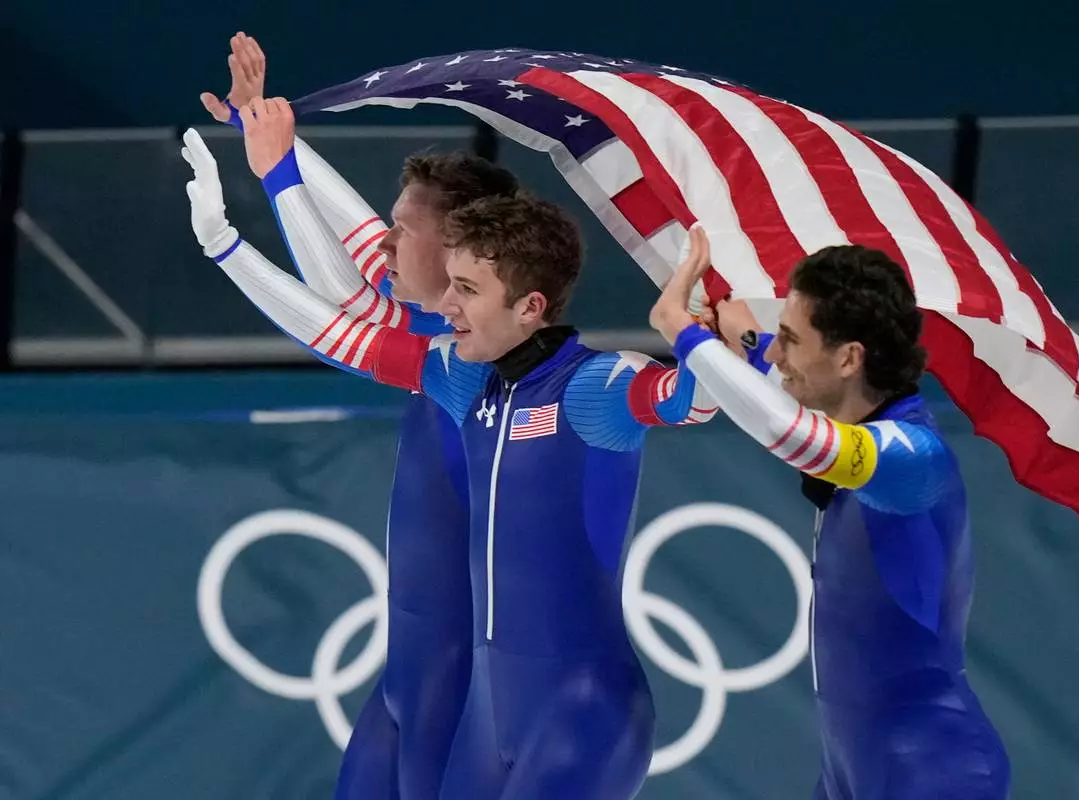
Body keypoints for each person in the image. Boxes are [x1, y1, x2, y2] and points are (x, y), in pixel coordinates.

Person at [180, 97, 715, 798]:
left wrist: (702, 336)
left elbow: (693, 399)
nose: (447, 306)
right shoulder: (464, 377)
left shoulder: (596, 385)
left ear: (527, 305)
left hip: (571, 713)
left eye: (464, 289)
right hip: (470, 708)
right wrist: (231, 230)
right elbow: (346, 329)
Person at [198, 33, 518, 799]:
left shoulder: (472, 352)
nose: (387, 237)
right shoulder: (433, 310)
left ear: (459, 249)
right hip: (405, 672)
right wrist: (268, 133)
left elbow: (346, 312)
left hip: (457, 678)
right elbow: (362, 261)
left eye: (405, 228)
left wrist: (268, 183)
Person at [649, 227, 1011, 800]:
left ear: (849, 358)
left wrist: (685, 335)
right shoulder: (855, 427)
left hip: (933, 775)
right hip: (848, 773)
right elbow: (775, 385)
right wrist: (740, 335)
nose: (775, 352)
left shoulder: (911, 456)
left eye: (789, 339)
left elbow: (784, 428)